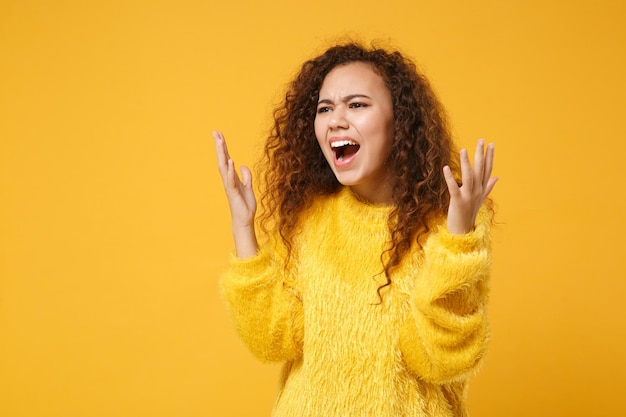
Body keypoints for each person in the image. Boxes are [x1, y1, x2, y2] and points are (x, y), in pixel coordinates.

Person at [213, 42, 497, 417]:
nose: (336, 120)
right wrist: (242, 227)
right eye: (325, 108)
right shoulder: (309, 219)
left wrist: (458, 240)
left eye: (357, 104)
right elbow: (272, 340)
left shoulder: (448, 223)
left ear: (401, 119)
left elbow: (442, 360)